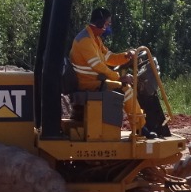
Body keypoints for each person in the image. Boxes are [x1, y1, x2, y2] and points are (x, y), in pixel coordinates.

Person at [69, 8, 170, 137]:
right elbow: (99, 67)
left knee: (124, 86)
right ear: (100, 23)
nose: (108, 27)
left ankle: (140, 126)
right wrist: (119, 78)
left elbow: (109, 58)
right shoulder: (84, 41)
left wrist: (126, 56)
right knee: (126, 89)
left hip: (94, 81)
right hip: (88, 83)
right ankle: (141, 128)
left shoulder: (94, 39)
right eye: (108, 24)